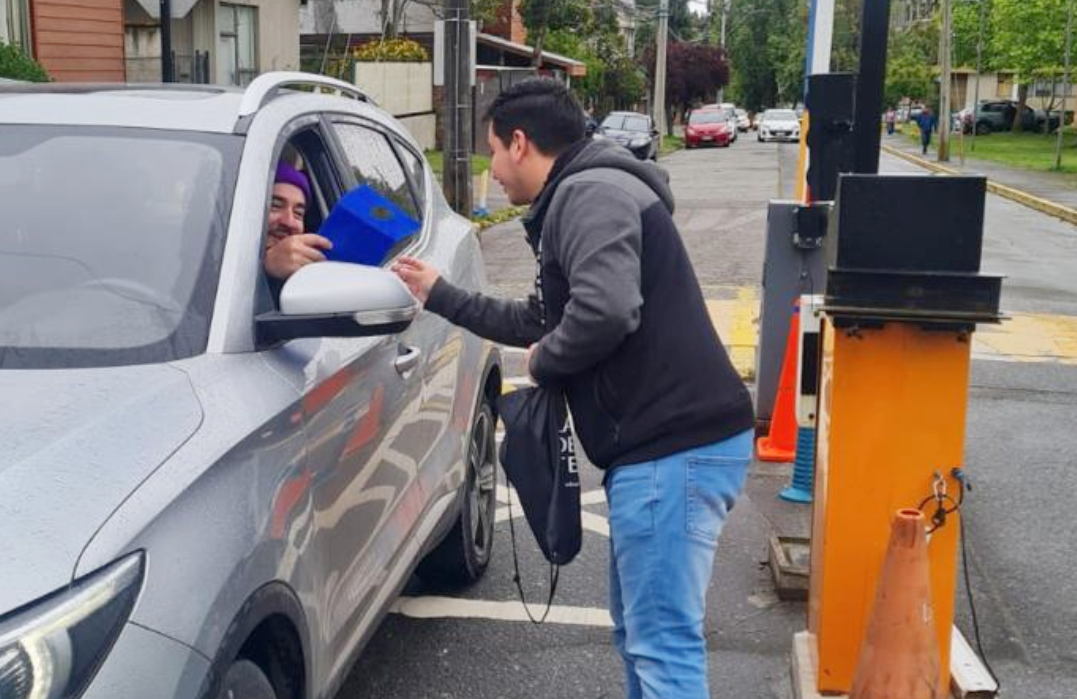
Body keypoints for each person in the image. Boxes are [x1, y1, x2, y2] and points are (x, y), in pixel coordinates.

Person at [394, 79, 753, 699]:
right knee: (640, 637)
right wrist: (440, 294)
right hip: (663, 449)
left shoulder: (589, 194)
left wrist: (545, 363)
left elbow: (606, 310)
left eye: (492, 152)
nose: (491, 169)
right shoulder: (583, 192)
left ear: (520, 142)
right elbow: (541, 318)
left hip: (674, 448)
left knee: (661, 645)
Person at [263, 161, 332, 281]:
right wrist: (265, 265)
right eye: (276, 206)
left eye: (298, 213)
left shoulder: (308, 276)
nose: (289, 222)